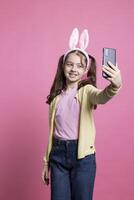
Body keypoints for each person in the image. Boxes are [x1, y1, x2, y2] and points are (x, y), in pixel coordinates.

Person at [41, 28, 122, 200]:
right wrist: (46, 162)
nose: (73, 69)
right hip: (58, 156)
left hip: (83, 157)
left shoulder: (86, 91)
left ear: (85, 69)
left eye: (79, 65)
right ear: (63, 66)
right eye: (69, 64)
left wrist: (115, 85)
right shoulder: (55, 98)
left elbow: (102, 96)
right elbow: (51, 134)